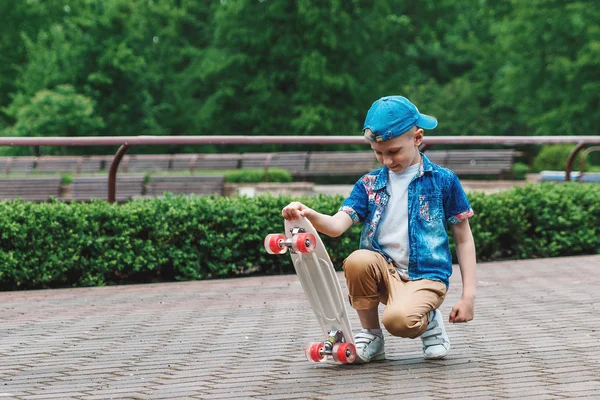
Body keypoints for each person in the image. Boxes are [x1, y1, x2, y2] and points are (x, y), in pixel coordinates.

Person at [282, 95, 476, 363]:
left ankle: (428, 320)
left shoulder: (443, 180)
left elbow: (464, 238)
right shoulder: (369, 184)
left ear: (417, 138)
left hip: (426, 276)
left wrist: (468, 297)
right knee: (358, 260)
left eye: (394, 151)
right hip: (385, 271)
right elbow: (338, 226)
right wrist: (310, 215)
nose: (386, 160)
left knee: (398, 322)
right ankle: (371, 335)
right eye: (378, 153)